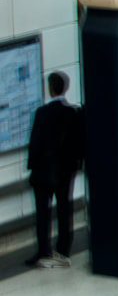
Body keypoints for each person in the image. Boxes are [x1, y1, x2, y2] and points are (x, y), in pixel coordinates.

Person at [25, 71, 83, 269]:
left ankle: (43, 250)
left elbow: (35, 144)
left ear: (50, 89)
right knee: (64, 209)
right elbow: (78, 143)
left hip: (43, 172)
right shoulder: (73, 113)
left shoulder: (42, 113)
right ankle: (63, 250)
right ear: (65, 88)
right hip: (66, 171)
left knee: (43, 212)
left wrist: (32, 166)